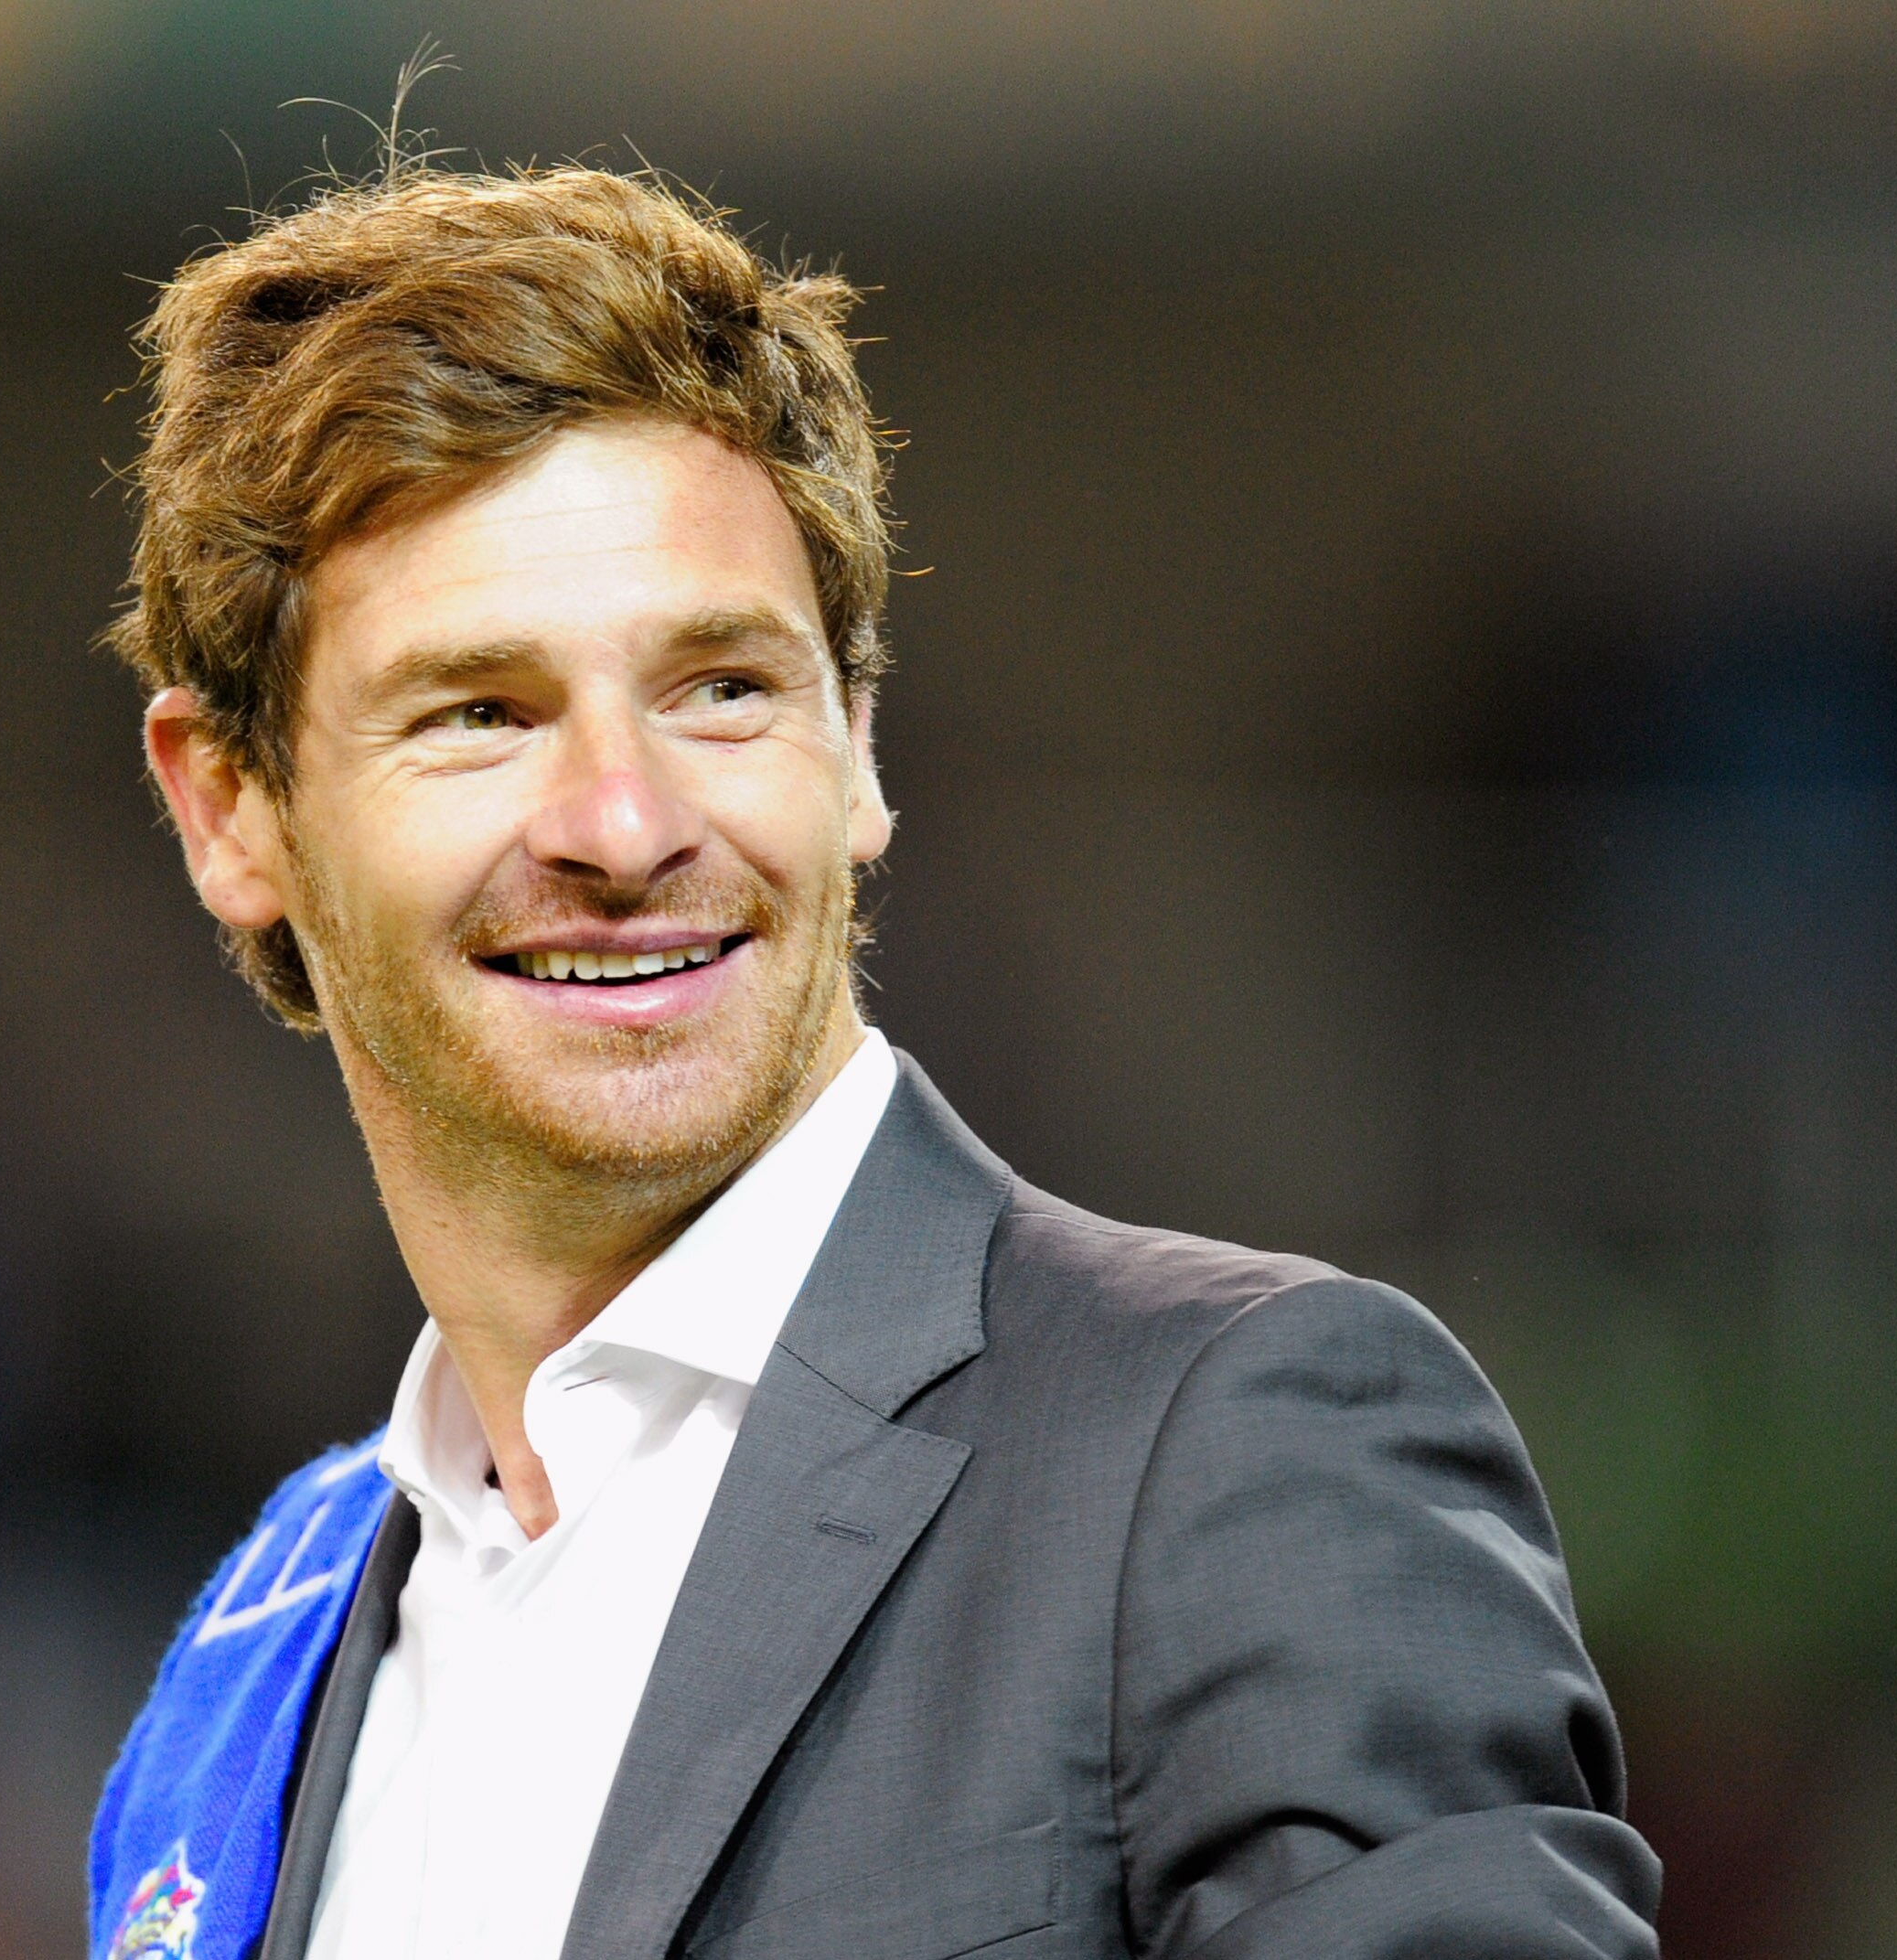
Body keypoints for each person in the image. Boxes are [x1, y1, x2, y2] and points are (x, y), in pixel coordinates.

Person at [88, 161, 1660, 1960]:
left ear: (857, 745)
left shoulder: (1236, 1449)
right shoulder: (259, 1662)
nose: (625, 823)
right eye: (481, 713)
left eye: (723, 688)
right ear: (229, 808)